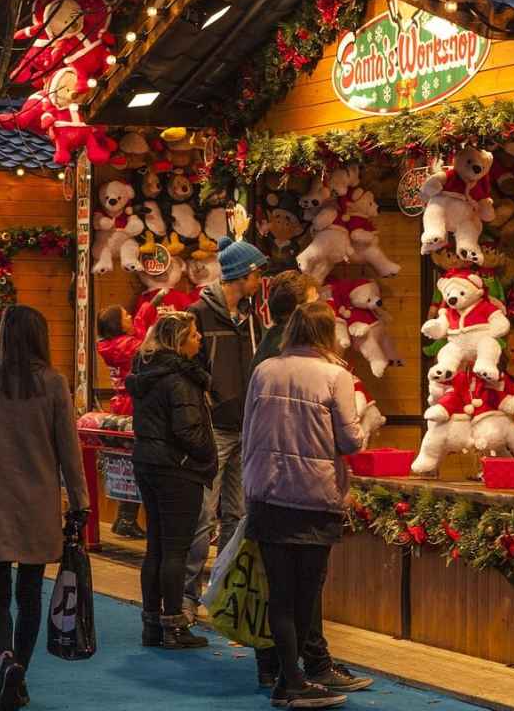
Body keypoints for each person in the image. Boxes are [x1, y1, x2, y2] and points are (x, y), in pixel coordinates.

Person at [0, 305, 89, 711]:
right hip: (39, 504)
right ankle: (22, 672)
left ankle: (5, 659)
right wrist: (80, 502)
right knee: (30, 594)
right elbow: (69, 450)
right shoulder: (53, 385)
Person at [247, 272, 370, 694]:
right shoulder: (335, 375)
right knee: (307, 592)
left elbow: (249, 431)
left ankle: (287, 677)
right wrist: (367, 422)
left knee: (279, 594)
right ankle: (301, 676)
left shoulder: (264, 369)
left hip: (268, 493)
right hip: (314, 496)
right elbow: (350, 440)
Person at [184, 236, 268, 615]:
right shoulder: (199, 315)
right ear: (240, 275)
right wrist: (210, 401)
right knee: (203, 513)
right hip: (215, 427)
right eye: (256, 273)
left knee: (236, 514)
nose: (260, 279)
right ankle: (186, 594)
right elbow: (191, 367)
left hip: (246, 427)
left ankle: (221, 595)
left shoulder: (254, 317)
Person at [126, 311, 216, 649]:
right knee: (176, 549)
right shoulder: (181, 378)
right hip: (176, 468)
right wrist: (208, 455)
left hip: (148, 463)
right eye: (194, 335)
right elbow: (187, 429)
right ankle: (174, 626)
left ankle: (152, 623)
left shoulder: (147, 371)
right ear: (179, 341)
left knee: (157, 547)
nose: (200, 339)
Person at [97, 304, 147, 540]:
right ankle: (126, 519)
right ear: (118, 323)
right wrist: (145, 316)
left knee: (127, 465)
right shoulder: (127, 345)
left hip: (120, 404)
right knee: (135, 465)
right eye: (126, 315)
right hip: (133, 407)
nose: (130, 317)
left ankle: (123, 518)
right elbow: (148, 348)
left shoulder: (111, 346)